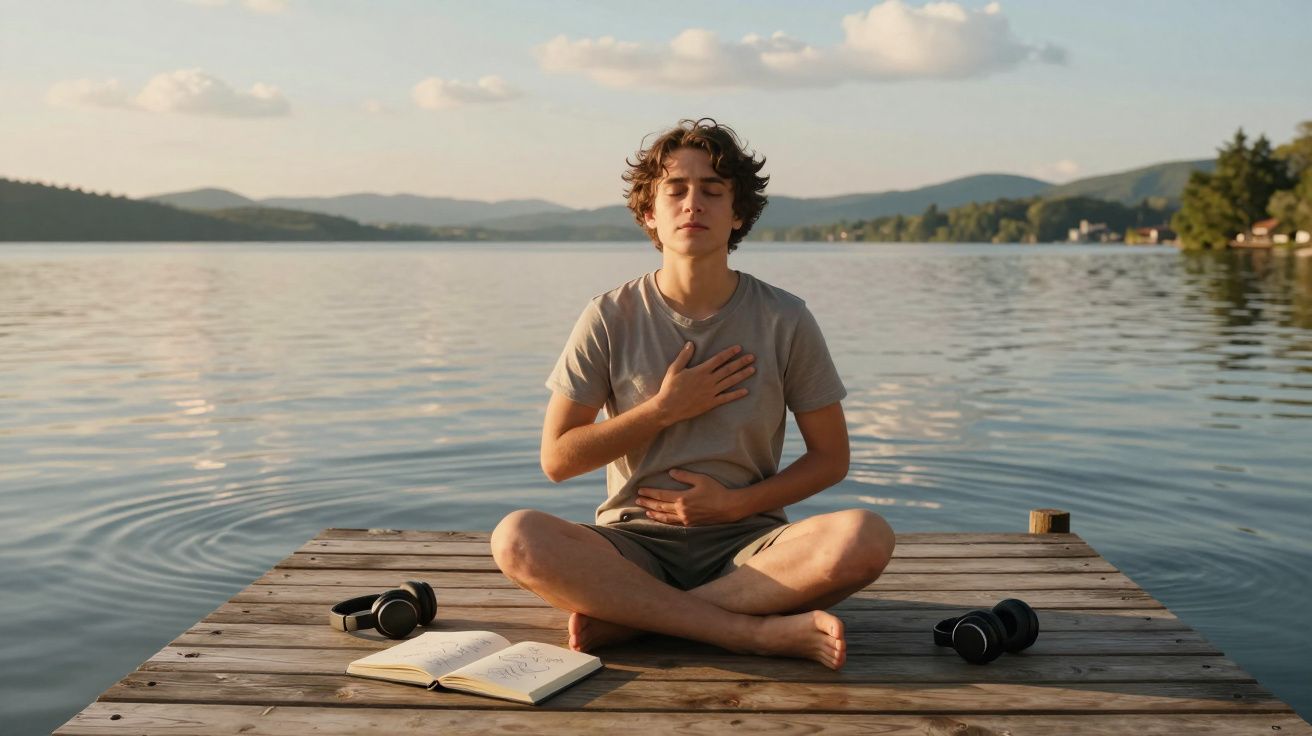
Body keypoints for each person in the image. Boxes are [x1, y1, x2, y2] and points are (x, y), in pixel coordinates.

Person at [490, 118, 894, 670]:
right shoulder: (609, 316)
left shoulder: (785, 318)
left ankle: (635, 620)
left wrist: (735, 504)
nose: (693, 204)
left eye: (713, 190)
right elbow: (557, 460)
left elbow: (832, 457)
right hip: (631, 547)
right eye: (675, 190)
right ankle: (745, 633)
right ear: (649, 214)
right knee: (516, 537)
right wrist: (662, 410)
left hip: (751, 550)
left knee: (866, 537)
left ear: (739, 214)